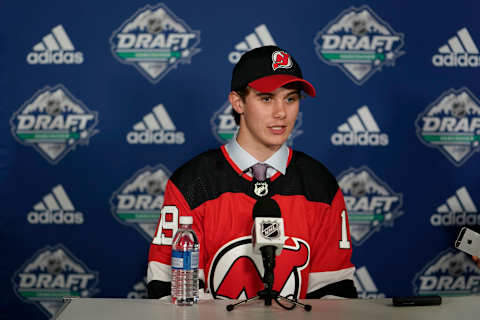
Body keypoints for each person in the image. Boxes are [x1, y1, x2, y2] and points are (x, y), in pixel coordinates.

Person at [147, 45, 358, 300]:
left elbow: (334, 292)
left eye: (290, 98)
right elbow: (168, 288)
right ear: (238, 102)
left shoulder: (320, 184)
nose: (281, 112)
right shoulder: (193, 182)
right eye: (267, 98)